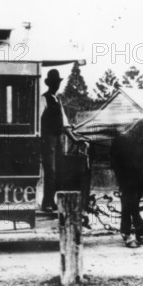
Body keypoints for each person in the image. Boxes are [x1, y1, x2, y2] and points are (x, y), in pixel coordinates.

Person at [40, 69, 89, 212]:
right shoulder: (43, 99)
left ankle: (53, 200)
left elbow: (65, 124)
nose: (57, 85)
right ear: (50, 84)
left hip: (59, 139)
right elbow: (38, 121)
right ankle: (47, 202)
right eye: (55, 83)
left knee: (60, 171)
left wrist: (75, 140)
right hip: (47, 139)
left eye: (58, 83)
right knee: (51, 171)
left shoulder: (58, 101)